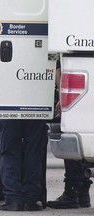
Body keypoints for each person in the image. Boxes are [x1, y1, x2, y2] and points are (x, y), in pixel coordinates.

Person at [0, 57, 49, 211]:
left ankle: (13, 199)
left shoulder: (8, 37)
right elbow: (56, 69)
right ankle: (30, 199)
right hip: (38, 103)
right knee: (33, 152)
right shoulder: (48, 38)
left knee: (8, 152)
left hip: (9, 102)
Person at [47, 61, 93, 209]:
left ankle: (72, 193)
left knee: (72, 144)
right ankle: (82, 194)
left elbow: (59, 70)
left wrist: (61, 99)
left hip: (79, 95)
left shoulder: (71, 52)